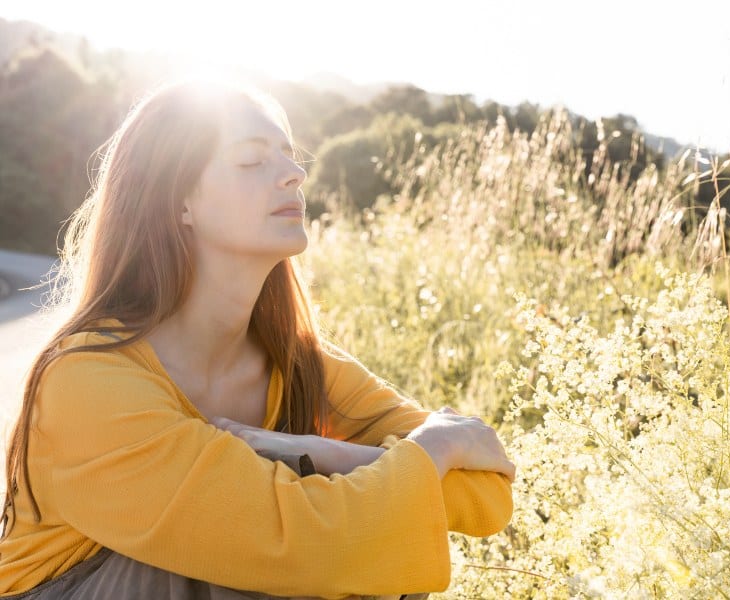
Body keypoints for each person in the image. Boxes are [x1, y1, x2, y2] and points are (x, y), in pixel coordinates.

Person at [0, 78, 515, 599]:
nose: (295, 175)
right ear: (178, 202)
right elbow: (310, 546)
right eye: (252, 162)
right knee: (267, 555)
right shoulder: (87, 380)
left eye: (290, 158)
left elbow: (490, 494)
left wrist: (315, 451)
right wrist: (424, 455)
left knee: (378, 524)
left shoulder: (298, 365)